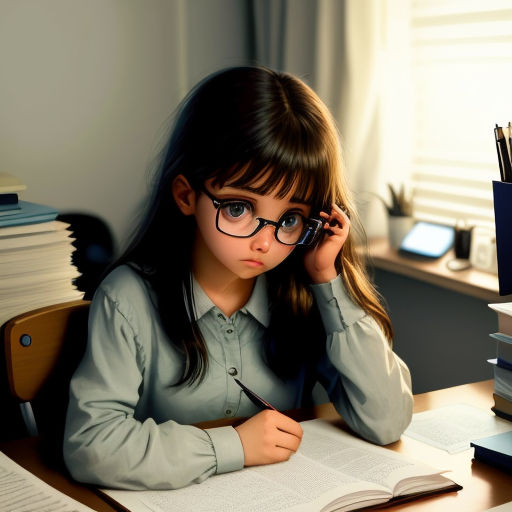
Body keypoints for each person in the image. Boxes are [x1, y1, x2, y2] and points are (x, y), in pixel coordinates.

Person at [63, 65, 413, 490]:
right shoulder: (128, 298)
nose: (265, 243)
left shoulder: (302, 293)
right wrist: (232, 447)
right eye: (238, 208)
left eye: (289, 218)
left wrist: (328, 279)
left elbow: (387, 420)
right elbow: (91, 445)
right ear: (186, 195)